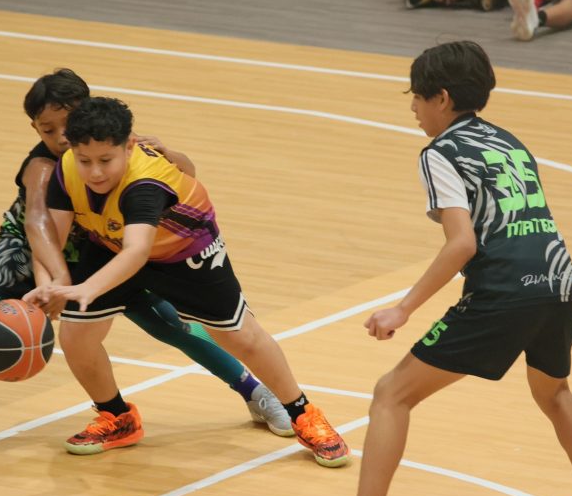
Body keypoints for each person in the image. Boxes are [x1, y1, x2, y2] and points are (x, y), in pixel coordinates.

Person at [280, 41, 572, 496]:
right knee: (555, 394)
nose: (412, 107)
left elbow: (462, 243)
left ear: (441, 98)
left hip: (505, 292)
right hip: (560, 283)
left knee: (391, 394)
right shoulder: (510, 142)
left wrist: (403, 309)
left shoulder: (440, 151)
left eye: (416, 97)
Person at [0, 69, 291, 452]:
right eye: (47, 129)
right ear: (35, 128)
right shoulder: (42, 166)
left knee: (169, 322)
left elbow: (184, 177)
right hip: (29, 247)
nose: (59, 137)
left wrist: (171, 153)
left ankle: (256, 392)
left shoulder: (116, 146)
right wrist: (54, 280)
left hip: (99, 242)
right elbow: (38, 224)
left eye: (66, 124)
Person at [25, 96, 350, 467]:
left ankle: (303, 413)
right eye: (85, 161)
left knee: (241, 337)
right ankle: (117, 416)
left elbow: (137, 251)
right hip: (110, 244)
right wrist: (46, 283)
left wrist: (86, 288)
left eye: (105, 160)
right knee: (76, 335)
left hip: (184, 249)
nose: (95, 172)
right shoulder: (68, 166)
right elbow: (50, 235)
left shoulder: (145, 183)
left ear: (129, 147)